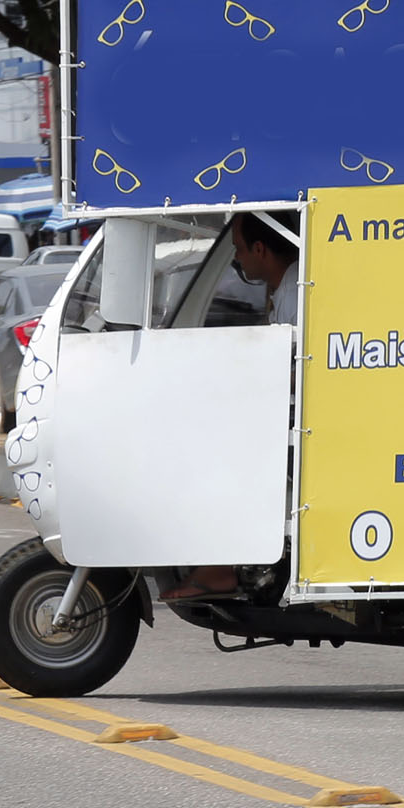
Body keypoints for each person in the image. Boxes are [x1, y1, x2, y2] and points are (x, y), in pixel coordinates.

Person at [160, 211, 301, 603]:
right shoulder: (285, 287)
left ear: (260, 248)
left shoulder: (296, 289)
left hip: (299, 426)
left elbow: (294, 370)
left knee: (215, 452)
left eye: (238, 249)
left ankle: (218, 569)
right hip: (286, 417)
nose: (236, 259)